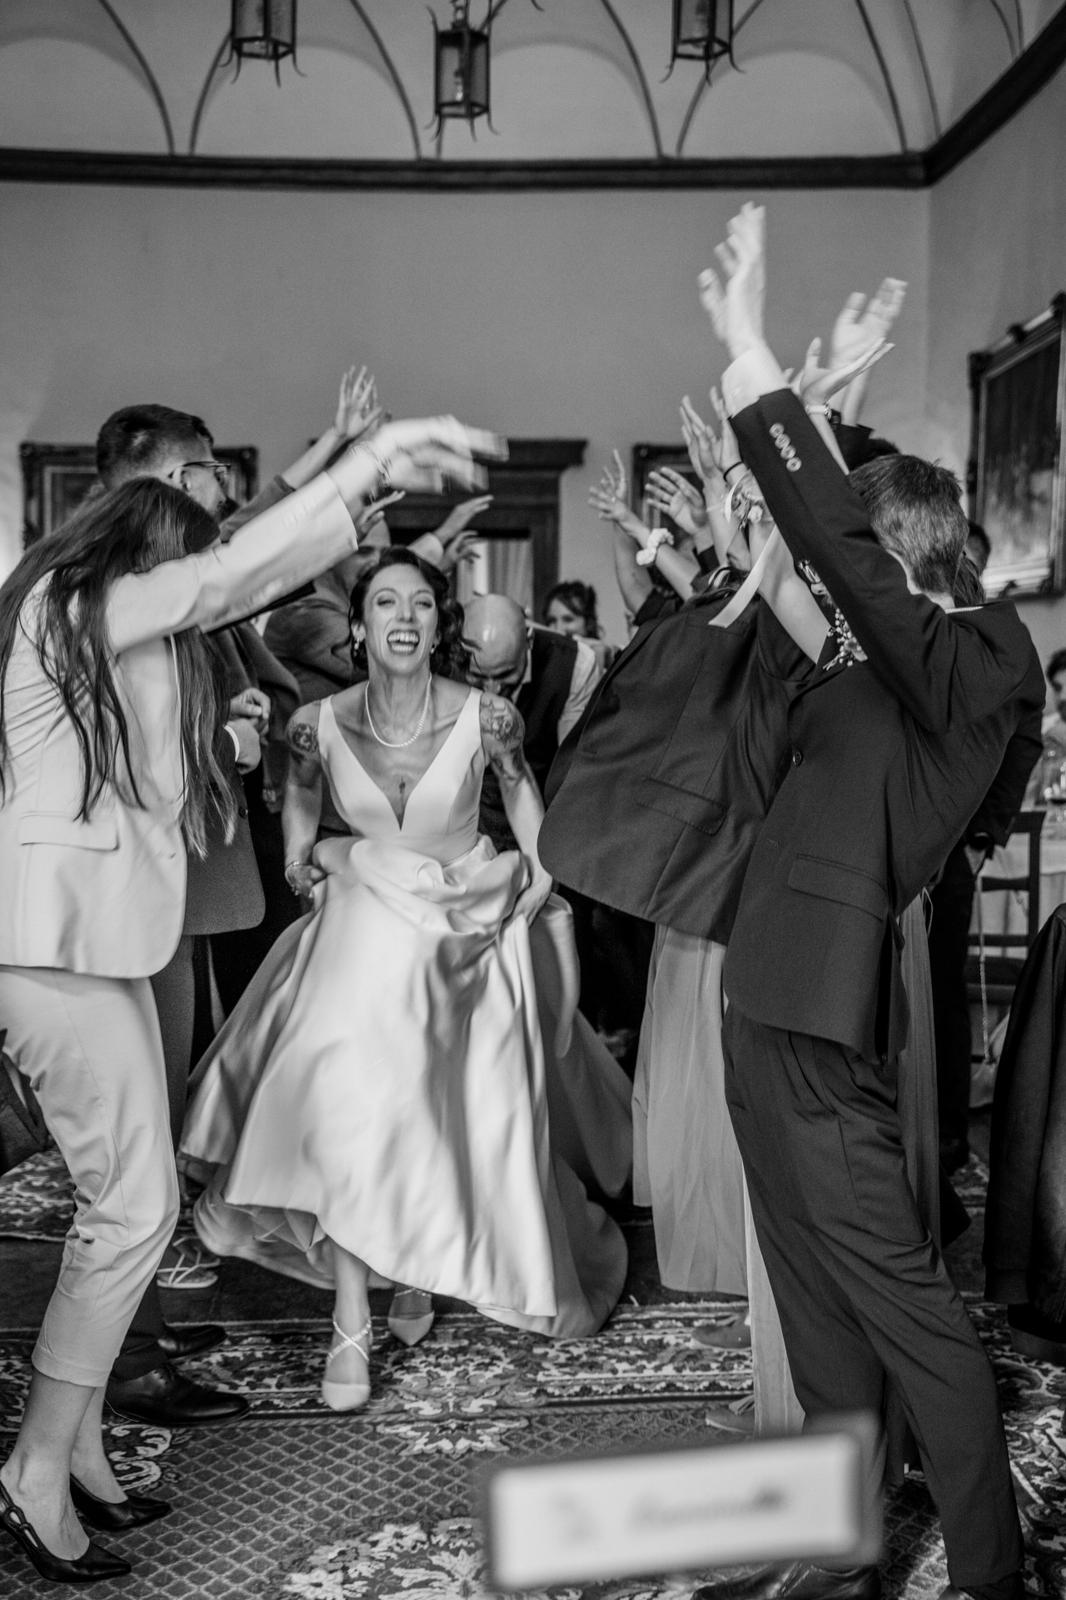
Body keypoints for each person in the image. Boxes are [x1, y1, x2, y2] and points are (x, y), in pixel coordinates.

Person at [0, 416, 498, 1586]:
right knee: (131, 1205)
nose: (197, 590)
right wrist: (366, 465)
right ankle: (35, 1464)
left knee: (133, 1199)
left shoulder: (107, 630)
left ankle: (77, 1452)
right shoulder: (81, 602)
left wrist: (220, 736)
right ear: (146, 549)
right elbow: (232, 577)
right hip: (48, 943)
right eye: (186, 562)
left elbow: (155, 771)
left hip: (98, 939)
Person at [694, 203, 1044, 1600]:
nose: (845, 585)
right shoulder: (869, 670)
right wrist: (815, 392)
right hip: (760, 1001)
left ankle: (990, 1575)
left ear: (908, 559)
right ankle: (836, 1552)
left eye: (867, 564)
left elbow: (829, 544)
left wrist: (750, 351)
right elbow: (789, 560)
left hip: (825, 1019)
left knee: (906, 1304)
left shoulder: (980, 659)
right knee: (814, 1293)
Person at [181, 548, 627, 1411]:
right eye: (386, 602)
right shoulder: (314, 722)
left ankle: (414, 1259)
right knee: (350, 1087)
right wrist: (298, 857)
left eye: (422, 604)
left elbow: (521, 794)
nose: (406, 617)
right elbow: (302, 792)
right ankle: (352, 1314)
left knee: (425, 1103)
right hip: (364, 907)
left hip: (460, 915)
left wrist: (542, 877)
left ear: (438, 624)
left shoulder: (489, 715)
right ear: (358, 625)